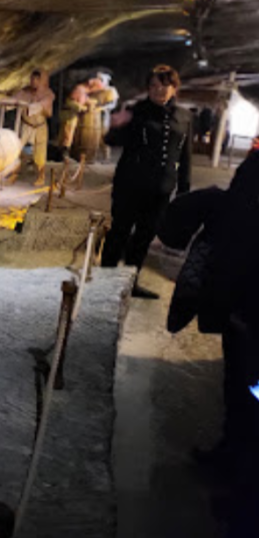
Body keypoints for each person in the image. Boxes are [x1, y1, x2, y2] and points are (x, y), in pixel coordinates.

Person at [159, 150, 259, 534]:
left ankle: (245, 500)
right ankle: (229, 455)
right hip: (239, 306)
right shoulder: (255, 165)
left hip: (255, 312)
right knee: (237, 389)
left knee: (254, 404)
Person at [101, 65, 192, 298]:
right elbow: (112, 140)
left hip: (161, 189)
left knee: (144, 237)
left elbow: (185, 156)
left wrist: (184, 190)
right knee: (119, 233)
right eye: (153, 85)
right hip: (130, 185)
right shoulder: (136, 111)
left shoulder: (185, 116)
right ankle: (104, 283)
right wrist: (115, 125)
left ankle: (130, 283)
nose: (158, 89)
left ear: (174, 88)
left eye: (163, 85)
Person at [2, 69, 55, 185]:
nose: (34, 81)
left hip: (40, 127)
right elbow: (14, 100)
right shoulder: (25, 92)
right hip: (26, 125)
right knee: (17, 149)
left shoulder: (48, 94)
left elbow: (44, 106)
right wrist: (3, 102)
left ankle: (41, 176)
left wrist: (35, 106)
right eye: (32, 79)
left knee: (40, 153)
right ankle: (14, 174)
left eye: (37, 79)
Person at [56, 83, 91, 160]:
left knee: (66, 135)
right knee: (66, 135)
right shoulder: (76, 95)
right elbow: (76, 106)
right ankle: (62, 154)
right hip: (69, 117)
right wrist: (84, 108)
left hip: (71, 117)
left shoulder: (81, 91)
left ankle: (62, 152)